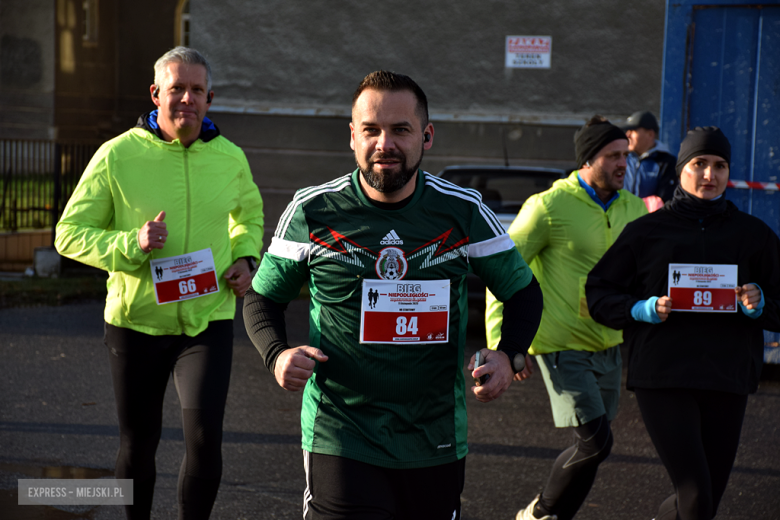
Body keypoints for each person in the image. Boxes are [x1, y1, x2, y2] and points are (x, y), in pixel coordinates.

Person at [243, 70, 543, 520]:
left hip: (434, 437)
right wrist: (277, 355)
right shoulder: (312, 210)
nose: (386, 143)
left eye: (401, 130)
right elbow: (261, 298)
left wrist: (510, 355)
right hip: (341, 434)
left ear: (427, 135)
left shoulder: (463, 211)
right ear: (352, 136)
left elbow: (524, 293)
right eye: (371, 130)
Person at [55, 47, 264, 520]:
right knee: (138, 443)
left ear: (210, 99)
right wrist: (132, 242)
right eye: (176, 89)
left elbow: (247, 216)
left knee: (206, 440)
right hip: (136, 323)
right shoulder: (118, 154)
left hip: (207, 317)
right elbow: (67, 234)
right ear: (156, 94)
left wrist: (246, 256)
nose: (186, 98)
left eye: (196, 90)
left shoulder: (230, 158)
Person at [586, 126, 780, 520]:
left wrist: (760, 305)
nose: (710, 175)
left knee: (702, 502)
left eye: (720, 166)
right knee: (695, 495)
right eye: (699, 164)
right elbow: (599, 294)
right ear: (681, 170)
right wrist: (641, 309)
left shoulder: (753, 235)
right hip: (664, 375)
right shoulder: (646, 231)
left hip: (727, 376)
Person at [485, 116, 647, 520]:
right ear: (587, 160)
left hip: (609, 343)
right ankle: (537, 514)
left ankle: (557, 517)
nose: (622, 164)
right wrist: (502, 345)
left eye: (625, 155)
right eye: (612, 156)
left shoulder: (635, 207)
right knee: (596, 442)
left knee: (594, 449)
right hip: (560, 343)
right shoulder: (548, 206)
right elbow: (503, 272)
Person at [621, 111, 678, 208]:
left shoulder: (667, 163)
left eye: (633, 131)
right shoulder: (622, 159)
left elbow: (664, 202)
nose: (628, 135)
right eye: (627, 131)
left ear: (650, 134)